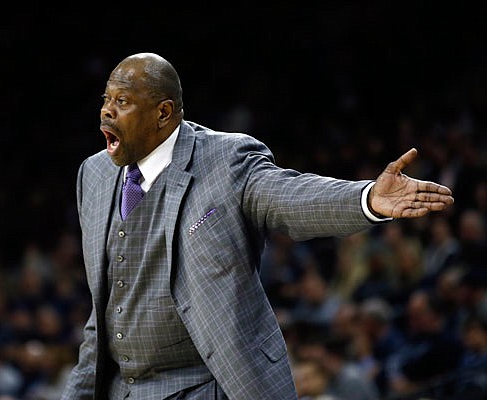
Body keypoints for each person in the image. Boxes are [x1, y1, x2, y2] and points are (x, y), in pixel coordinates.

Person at [61, 53, 454, 399]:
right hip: (122, 390)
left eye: (123, 101)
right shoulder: (93, 175)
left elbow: (291, 197)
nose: (106, 111)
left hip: (206, 384)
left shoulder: (225, 159)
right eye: (107, 100)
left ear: (163, 113)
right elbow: (105, 311)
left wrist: (367, 198)